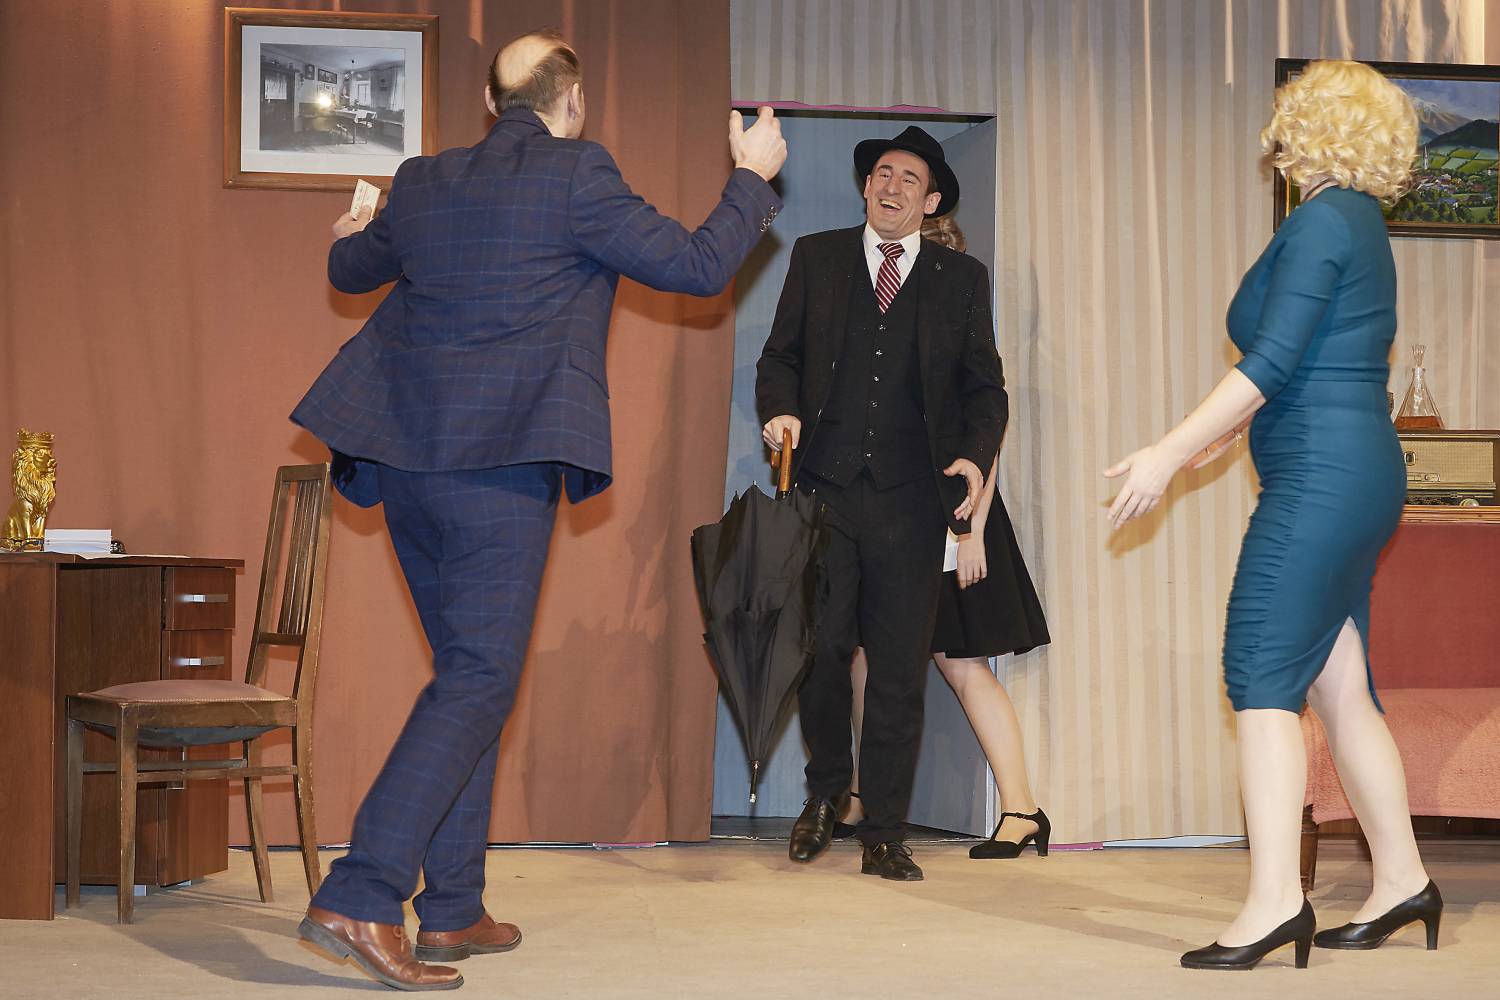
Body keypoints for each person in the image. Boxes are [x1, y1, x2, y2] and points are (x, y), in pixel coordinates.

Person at [290, 30, 786, 991]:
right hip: (500, 465)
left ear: (491, 101)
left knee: (465, 677)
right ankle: (362, 889)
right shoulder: (578, 174)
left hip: (404, 462)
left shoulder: (423, 179)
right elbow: (695, 266)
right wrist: (752, 178)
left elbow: (350, 273)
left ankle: (450, 907)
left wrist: (351, 232)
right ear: (573, 103)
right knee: (479, 679)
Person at [1104, 60, 1439, 971]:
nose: (1277, 133)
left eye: (1289, 118)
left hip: (1323, 479)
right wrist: (1218, 442)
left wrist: (1168, 451)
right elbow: (1311, 361)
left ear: (1316, 125)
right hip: (1354, 471)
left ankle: (1274, 902)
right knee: (1337, 683)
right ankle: (1402, 879)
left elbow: (1274, 362)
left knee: (1259, 672)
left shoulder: (1325, 220)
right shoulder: (1356, 220)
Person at [756, 127, 1008, 881]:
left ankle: (886, 831)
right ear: (867, 187)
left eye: (910, 180)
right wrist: (779, 411)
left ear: (930, 203)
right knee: (822, 652)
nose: (892, 187)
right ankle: (828, 793)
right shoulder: (818, 257)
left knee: (899, 667)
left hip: (912, 500)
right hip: (825, 491)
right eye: (883, 174)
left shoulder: (961, 279)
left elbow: (985, 387)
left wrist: (975, 456)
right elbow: (780, 357)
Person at [837, 215, 1051, 860]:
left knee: (961, 663)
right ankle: (864, 794)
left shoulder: (956, 337)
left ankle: (1022, 809)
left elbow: (985, 439)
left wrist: (973, 531)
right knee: (865, 656)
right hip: (891, 518)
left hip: (952, 520)